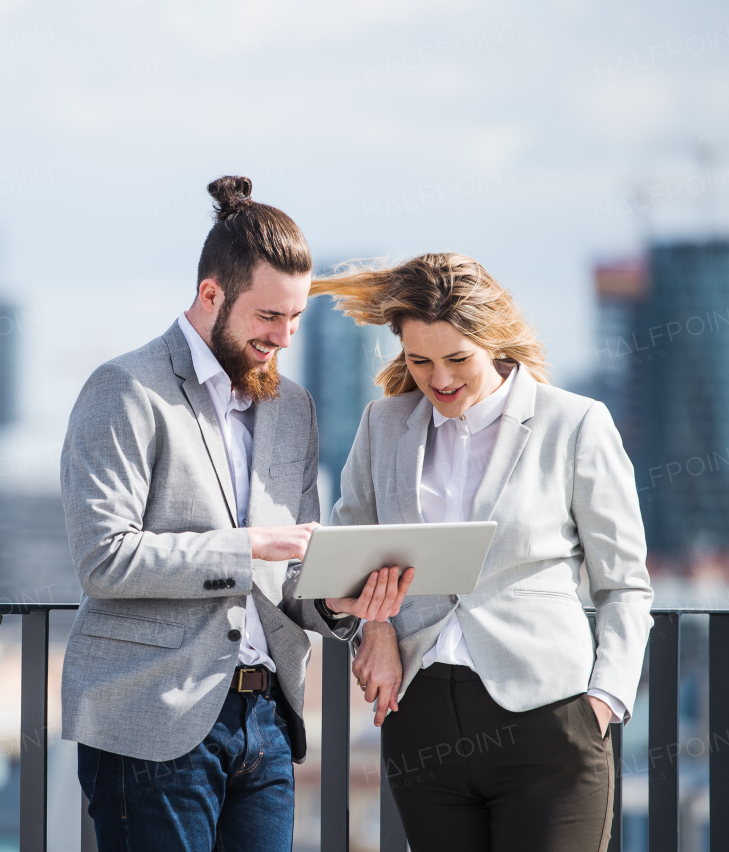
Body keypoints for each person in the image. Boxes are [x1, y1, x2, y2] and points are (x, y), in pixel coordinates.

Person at [60, 176, 412, 852]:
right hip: (152, 721)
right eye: (268, 317)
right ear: (210, 295)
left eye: (296, 319)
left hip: (267, 725)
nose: (283, 337)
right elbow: (105, 559)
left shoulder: (293, 409)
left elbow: (285, 575)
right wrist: (251, 544)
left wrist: (339, 601)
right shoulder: (125, 390)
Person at [312, 253, 653, 852]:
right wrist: (378, 629)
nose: (438, 379)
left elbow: (624, 584)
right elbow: (350, 562)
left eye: (456, 360)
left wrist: (604, 702)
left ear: (493, 342)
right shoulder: (383, 425)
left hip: (548, 721)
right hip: (421, 729)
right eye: (420, 361)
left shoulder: (574, 424)